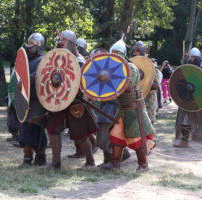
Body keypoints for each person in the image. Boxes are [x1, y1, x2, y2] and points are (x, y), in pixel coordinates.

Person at [46, 30, 98, 169]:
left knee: (80, 135)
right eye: (60, 40)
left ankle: (90, 161)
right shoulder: (56, 58)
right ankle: (55, 163)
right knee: (53, 129)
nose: (61, 43)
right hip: (58, 100)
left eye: (64, 41)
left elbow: (81, 82)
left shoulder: (79, 60)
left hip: (75, 101)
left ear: (71, 43)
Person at [102, 39, 156, 172]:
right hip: (123, 108)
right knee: (115, 135)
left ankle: (143, 164)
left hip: (134, 108)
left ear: (121, 54)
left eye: (116, 53)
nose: (113, 56)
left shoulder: (130, 67)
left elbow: (127, 86)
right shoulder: (113, 69)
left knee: (135, 136)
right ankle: (115, 164)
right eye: (112, 53)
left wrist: (109, 79)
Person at [18, 33, 47, 166]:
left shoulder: (44, 59)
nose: (29, 47)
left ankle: (41, 156)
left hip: (39, 99)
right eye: (28, 44)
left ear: (39, 45)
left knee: (35, 126)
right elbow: (18, 74)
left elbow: (39, 74)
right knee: (25, 126)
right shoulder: (26, 60)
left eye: (32, 45)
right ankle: (27, 157)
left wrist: (25, 79)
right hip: (26, 98)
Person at [132, 41, 160, 124]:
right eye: (134, 50)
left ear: (142, 51)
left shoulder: (151, 65)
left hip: (148, 100)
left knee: (148, 126)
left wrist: (146, 81)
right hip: (134, 100)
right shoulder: (131, 64)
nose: (135, 53)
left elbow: (156, 85)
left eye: (137, 50)